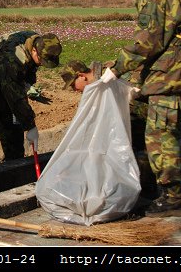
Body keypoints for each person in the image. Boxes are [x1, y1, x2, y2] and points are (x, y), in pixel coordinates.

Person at [99, 0, 181, 218]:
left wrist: (117, 69)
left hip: (169, 77)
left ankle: (172, 199)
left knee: (161, 136)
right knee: (140, 127)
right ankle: (149, 186)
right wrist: (137, 83)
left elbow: (149, 41)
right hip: (160, 75)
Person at [61, 60, 157, 198]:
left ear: (81, 76)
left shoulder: (108, 77)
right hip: (128, 118)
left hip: (140, 116)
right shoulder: (96, 84)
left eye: (73, 85)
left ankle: (147, 194)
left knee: (141, 153)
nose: (74, 90)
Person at [0, 31, 62, 169]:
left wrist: (27, 82)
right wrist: (30, 125)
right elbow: (15, 98)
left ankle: (13, 164)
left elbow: (28, 70)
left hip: (6, 73)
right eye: (41, 60)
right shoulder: (14, 58)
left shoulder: (36, 41)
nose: (41, 64)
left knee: (13, 123)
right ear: (34, 50)